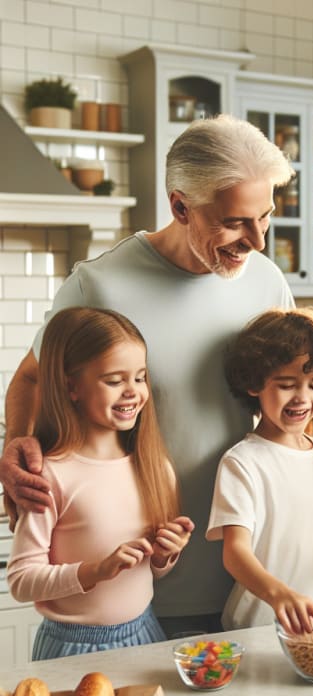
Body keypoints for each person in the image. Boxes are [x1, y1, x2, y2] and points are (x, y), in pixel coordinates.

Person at [0, 114, 297, 637]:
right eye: (234, 222)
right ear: (180, 205)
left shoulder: (267, 281)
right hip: (134, 578)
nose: (257, 241)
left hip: (247, 562)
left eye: (265, 217)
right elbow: (31, 378)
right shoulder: (100, 285)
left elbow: (292, 389)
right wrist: (17, 445)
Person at [7, 308, 193, 659]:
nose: (132, 392)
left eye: (140, 378)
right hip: (72, 647)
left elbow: (151, 571)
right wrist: (96, 571)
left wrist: (166, 554)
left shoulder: (155, 468)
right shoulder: (49, 475)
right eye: (114, 380)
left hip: (146, 633)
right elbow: (21, 579)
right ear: (71, 386)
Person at [206, 307, 313, 634]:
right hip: (257, 626)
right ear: (254, 384)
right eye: (287, 384)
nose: (302, 397)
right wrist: (280, 595)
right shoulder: (242, 462)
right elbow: (235, 552)